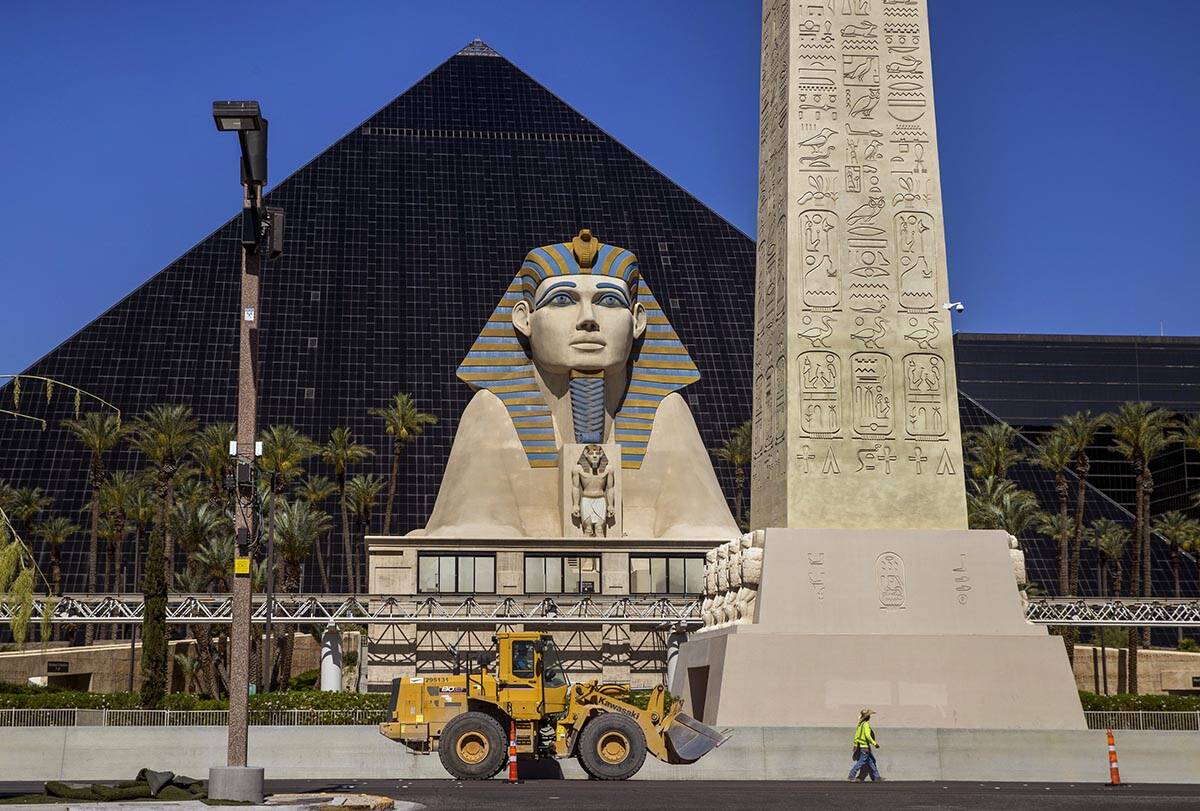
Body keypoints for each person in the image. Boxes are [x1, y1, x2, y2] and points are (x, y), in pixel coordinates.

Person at [848, 708, 883, 782]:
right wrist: (874, 743)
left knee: (871, 761)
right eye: (869, 715)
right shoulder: (866, 724)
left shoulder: (860, 724)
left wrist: (855, 744)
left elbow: (856, 736)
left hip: (861, 746)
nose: (870, 717)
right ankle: (851, 775)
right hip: (865, 747)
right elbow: (867, 735)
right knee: (861, 761)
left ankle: (877, 777)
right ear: (867, 717)